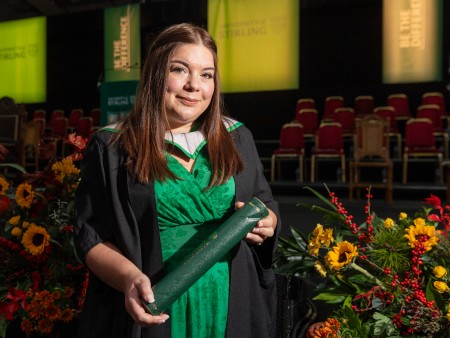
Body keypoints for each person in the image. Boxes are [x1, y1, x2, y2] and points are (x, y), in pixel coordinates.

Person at [74, 23, 280, 338]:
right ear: (156, 74)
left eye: (207, 74)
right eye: (180, 70)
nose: (194, 86)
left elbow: (265, 203)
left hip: (232, 301)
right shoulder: (113, 147)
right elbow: (91, 237)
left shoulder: (237, 137)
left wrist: (268, 220)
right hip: (157, 301)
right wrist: (129, 278)